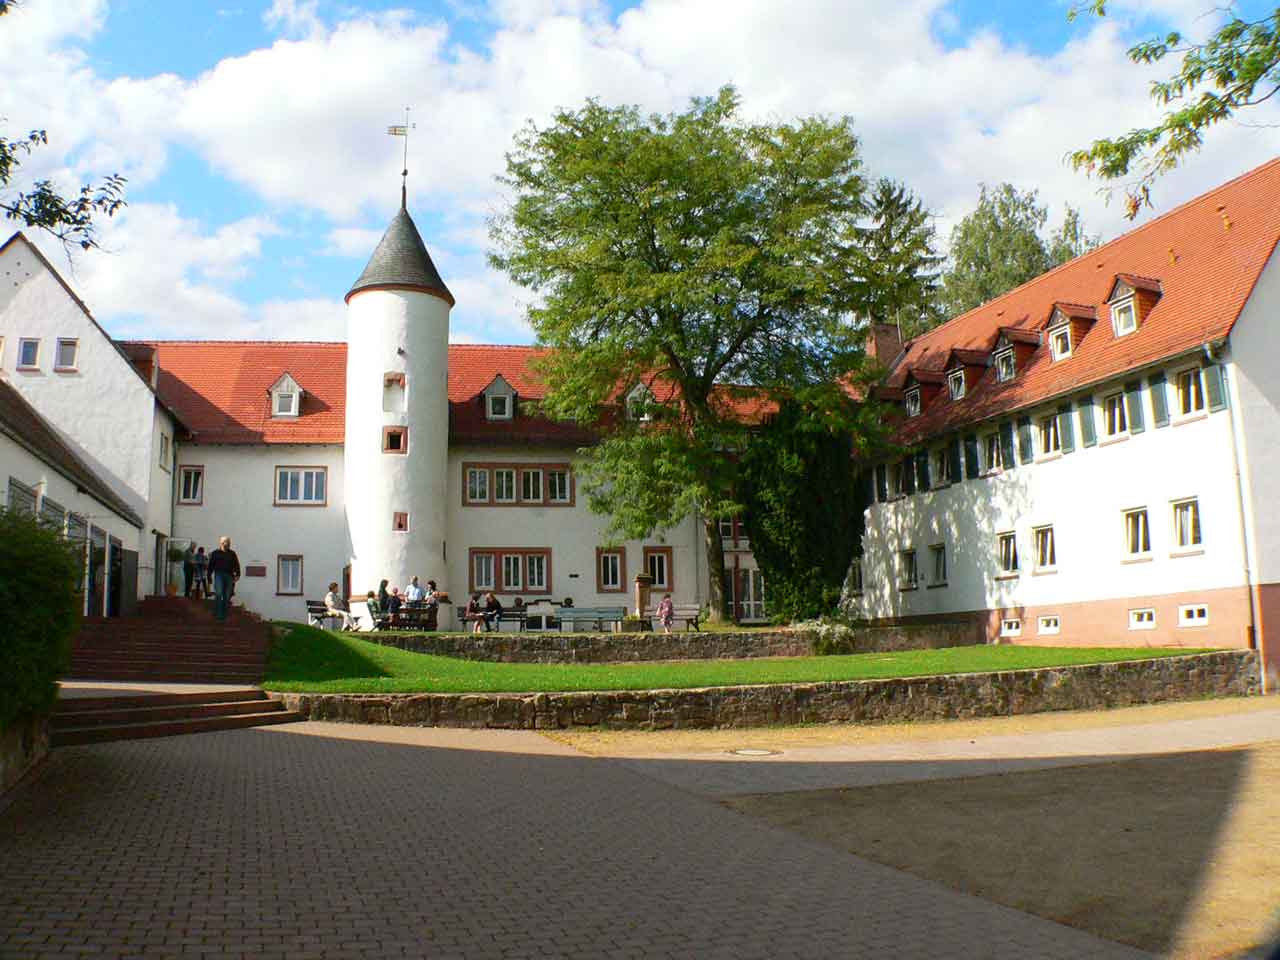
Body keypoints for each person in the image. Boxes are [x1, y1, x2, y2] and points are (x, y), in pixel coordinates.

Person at [207, 536, 241, 622]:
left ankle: (224, 615)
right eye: (226, 542)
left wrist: (238, 574)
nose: (228, 544)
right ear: (221, 543)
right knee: (218, 594)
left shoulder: (232, 553)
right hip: (219, 575)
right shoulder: (215, 553)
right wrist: (209, 576)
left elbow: (236, 564)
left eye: (229, 542)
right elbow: (211, 565)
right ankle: (218, 615)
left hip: (229, 576)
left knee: (227, 596)